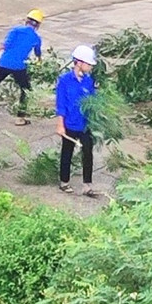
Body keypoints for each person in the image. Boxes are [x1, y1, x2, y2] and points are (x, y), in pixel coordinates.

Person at [0, 10, 44, 124]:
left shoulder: (15, 30)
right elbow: (38, 53)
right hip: (19, 67)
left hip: (4, 62)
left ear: (27, 20)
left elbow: (5, 45)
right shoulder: (36, 38)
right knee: (25, 89)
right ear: (38, 25)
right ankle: (20, 117)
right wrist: (39, 62)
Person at [55, 44, 98, 196]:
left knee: (88, 152)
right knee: (67, 152)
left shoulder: (89, 81)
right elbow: (61, 104)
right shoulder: (64, 80)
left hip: (85, 124)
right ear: (79, 62)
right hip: (69, 124)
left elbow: (93, 101)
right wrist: (60, 124)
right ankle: (64, 182)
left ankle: (87, 185)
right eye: (88, 64)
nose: (90, 67)